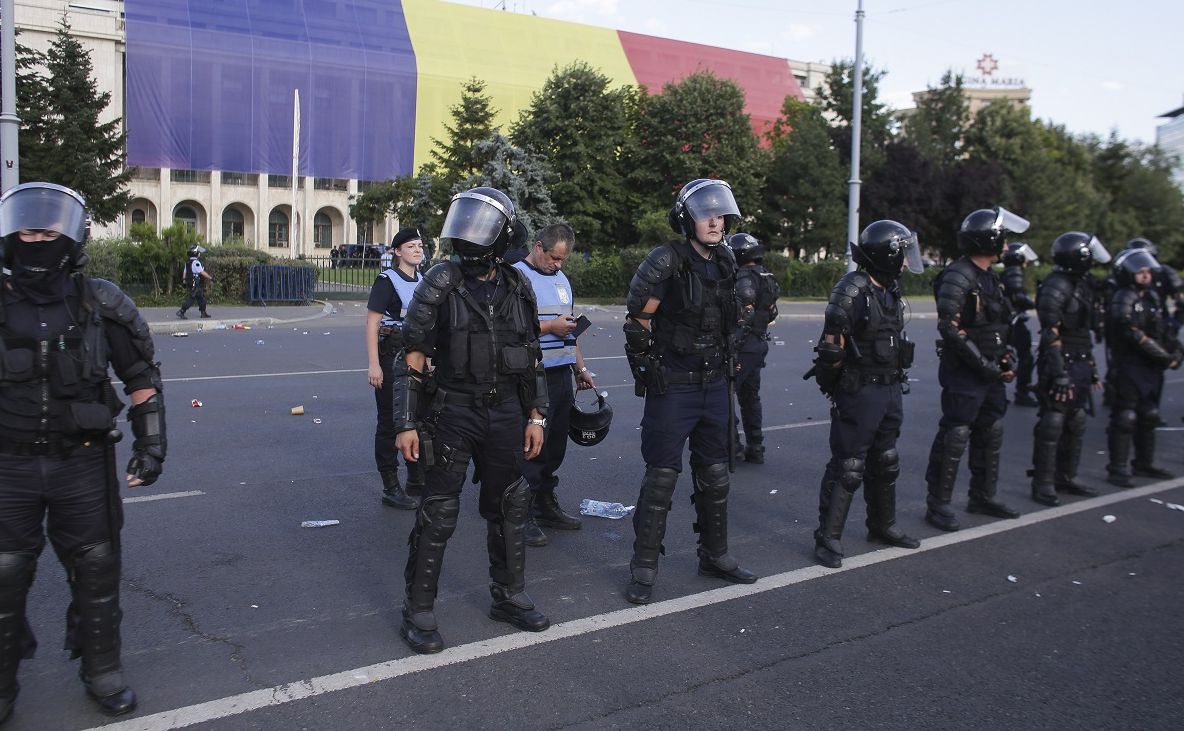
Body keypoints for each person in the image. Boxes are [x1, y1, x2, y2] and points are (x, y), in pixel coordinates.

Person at [0, 183, 167, 720]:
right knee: (5, 572)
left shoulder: (100, 302)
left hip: (82, 461)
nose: (37, 241)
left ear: (69, 239)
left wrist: (152, 445)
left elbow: (140, 376)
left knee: (96, 567)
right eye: (28, 231)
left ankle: (102, 670)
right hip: (9, 463)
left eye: (48, 233)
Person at [391, 187, 550, 654]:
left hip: (506, 414)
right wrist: (404, 423)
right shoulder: (439, 282)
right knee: (438, 512)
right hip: (453, 412)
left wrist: (536, 416)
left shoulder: (518, 285)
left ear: (502, 236)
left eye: (481, 226)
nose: (470, 235)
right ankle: (418, 610)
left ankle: (509, 596)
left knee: (510, 506)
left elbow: (533, 357)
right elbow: (412, 358)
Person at [621, 178, 757, 605]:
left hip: (715, 384)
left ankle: (714, 556)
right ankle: (643, 567)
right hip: (674, 387)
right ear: (687, 219)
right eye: (706, 214)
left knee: (715, 475)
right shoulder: (667, 260)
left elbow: (730, 316)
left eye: (720, 213)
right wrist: (648, 370)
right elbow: (638, 322)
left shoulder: (727, 261)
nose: (716, 220)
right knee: (662, 477)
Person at [808, 221, 923, 568]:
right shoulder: (853, 289)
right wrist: (838, 389)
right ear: (886, 254)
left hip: (890, 385)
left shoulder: (891, 288)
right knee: (849, 465)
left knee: (886, 459)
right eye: (901, 254)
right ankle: (827, 538)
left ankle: (882, 525)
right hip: (860, 389)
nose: (905, 262)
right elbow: (831, 349)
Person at [924, 207, 1029, 531]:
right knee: (956, 433)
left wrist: (1006, 357)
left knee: (991, 430)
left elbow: (1000, 321)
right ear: (990, 239)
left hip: (990, 371)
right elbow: (950, 327)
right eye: (1004, 239)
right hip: (966, 372)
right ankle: (938, 505)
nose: (1007, 246)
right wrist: (983, 365)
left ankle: (983, 495)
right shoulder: (959, 274)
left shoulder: (989, 276)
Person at [512, 223, 595, 547]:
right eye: (554, 258)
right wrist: (550, 327)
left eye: (563, 260)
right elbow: (512, 327)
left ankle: (545, 502)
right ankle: (521, 512)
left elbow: (569, 328)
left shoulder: (562, 280)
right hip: (531, 373)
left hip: (561, 373)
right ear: (538, 247)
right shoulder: (516, 276)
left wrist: (581, 368)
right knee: (531, 446)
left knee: (555, 444)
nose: (558, 265)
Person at [1029, 232, 1112, 505]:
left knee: (1076, 420)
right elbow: (1051, 333)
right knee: (1053, 420)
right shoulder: (1056, 286)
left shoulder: (1081, 283)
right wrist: (1059, 372)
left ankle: (1067, 476)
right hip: (1059, 359)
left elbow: (1082, 332)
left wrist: (1092, 366)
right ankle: (1043, 483)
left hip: (1079, 358)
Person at [1104, 248, 1181, 486]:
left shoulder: (1152, 297)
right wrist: (1165, 357)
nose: (1146, 275)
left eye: (1148, 270)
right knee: (1125, 417)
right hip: (1129, 366)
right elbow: (1131, 333)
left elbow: (1164, 330)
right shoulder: (1123, 297)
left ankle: (1144, 463)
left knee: (1149, 415)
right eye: (1140, 271)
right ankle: (1118, 468)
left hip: (1150, 368)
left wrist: (1176, 351)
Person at [365, 228, 426, 509]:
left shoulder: (425, 281)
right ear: (397, 252)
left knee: (419, 421)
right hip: (391, 359)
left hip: (420, 361)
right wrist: (374, 365)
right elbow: (372, 324)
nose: (417, 249)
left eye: (420, 245)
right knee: (391, 423)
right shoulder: (387, 281)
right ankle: (391, 487)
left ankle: (416, 479)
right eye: (411, 246)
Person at [729, 232, 780, 464]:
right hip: (759, 342)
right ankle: (756, 446)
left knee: (724, 396)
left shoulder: (744, 277)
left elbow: (744, 314)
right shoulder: (767, 276)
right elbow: (771, 313)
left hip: (744, 345)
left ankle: (734, 446)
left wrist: (732, 345)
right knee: (750, 397)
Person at [1000, 242, 1040, 407]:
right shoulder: (1015, 272)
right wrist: (1034, 303)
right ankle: (1022, 391)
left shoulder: (1007, 272)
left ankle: (999, 392)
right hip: (1014, 322)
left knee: (1004, 356)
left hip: (1008, 321)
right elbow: (1018, 297)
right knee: (1025, 358)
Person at [176, 245, 212, 319]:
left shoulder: (188, 262)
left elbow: (185, 272)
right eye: (198, 252)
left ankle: (203, 312)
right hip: (196, 283)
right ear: (195, 253)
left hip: (191, 282)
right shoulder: (196, 262)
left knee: (201, 297)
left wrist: (184, 281)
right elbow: (201, 272)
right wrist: (210, 277)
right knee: (192, 299)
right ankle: (181, 311)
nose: (199, 253)